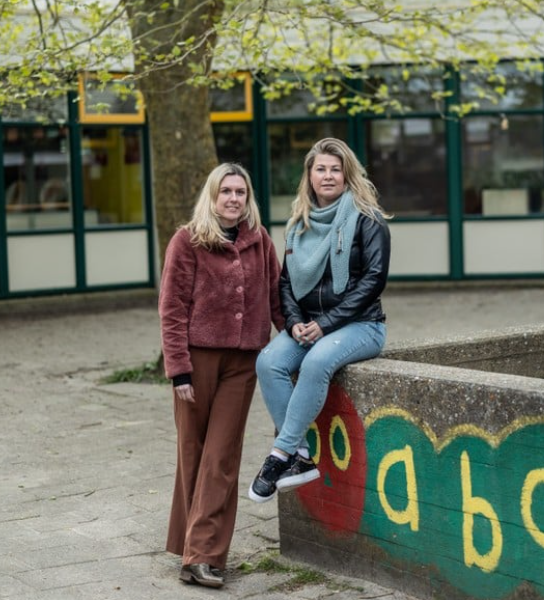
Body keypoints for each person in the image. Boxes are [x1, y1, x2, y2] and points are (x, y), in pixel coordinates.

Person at [158, 163, 284, 588]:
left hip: (242, 364)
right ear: (212, 197)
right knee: (192, 454)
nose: (233, 198)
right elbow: (171, 308)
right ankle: (189, 546)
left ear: (248, 198)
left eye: (240, 192)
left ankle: (202, 556)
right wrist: (178, 370)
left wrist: (296, 337)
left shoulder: (260, 241)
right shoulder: (187, 240)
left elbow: (277, 298)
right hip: (196, 362)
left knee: (221, 457)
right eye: (226, 191)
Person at [248, 137, 390, 503]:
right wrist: (294, 321)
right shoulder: (299, 224)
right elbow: (285, 282)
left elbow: (374, 280)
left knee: (315, 362)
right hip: (309, 324)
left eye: (335, 169)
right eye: (321, 169)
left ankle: (280, 454)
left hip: (362, 326)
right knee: (268, 362)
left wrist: (326, 323)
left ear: (347, 175)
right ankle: (301, 456)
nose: (328, 176)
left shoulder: (368, 219)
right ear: (309, 176)